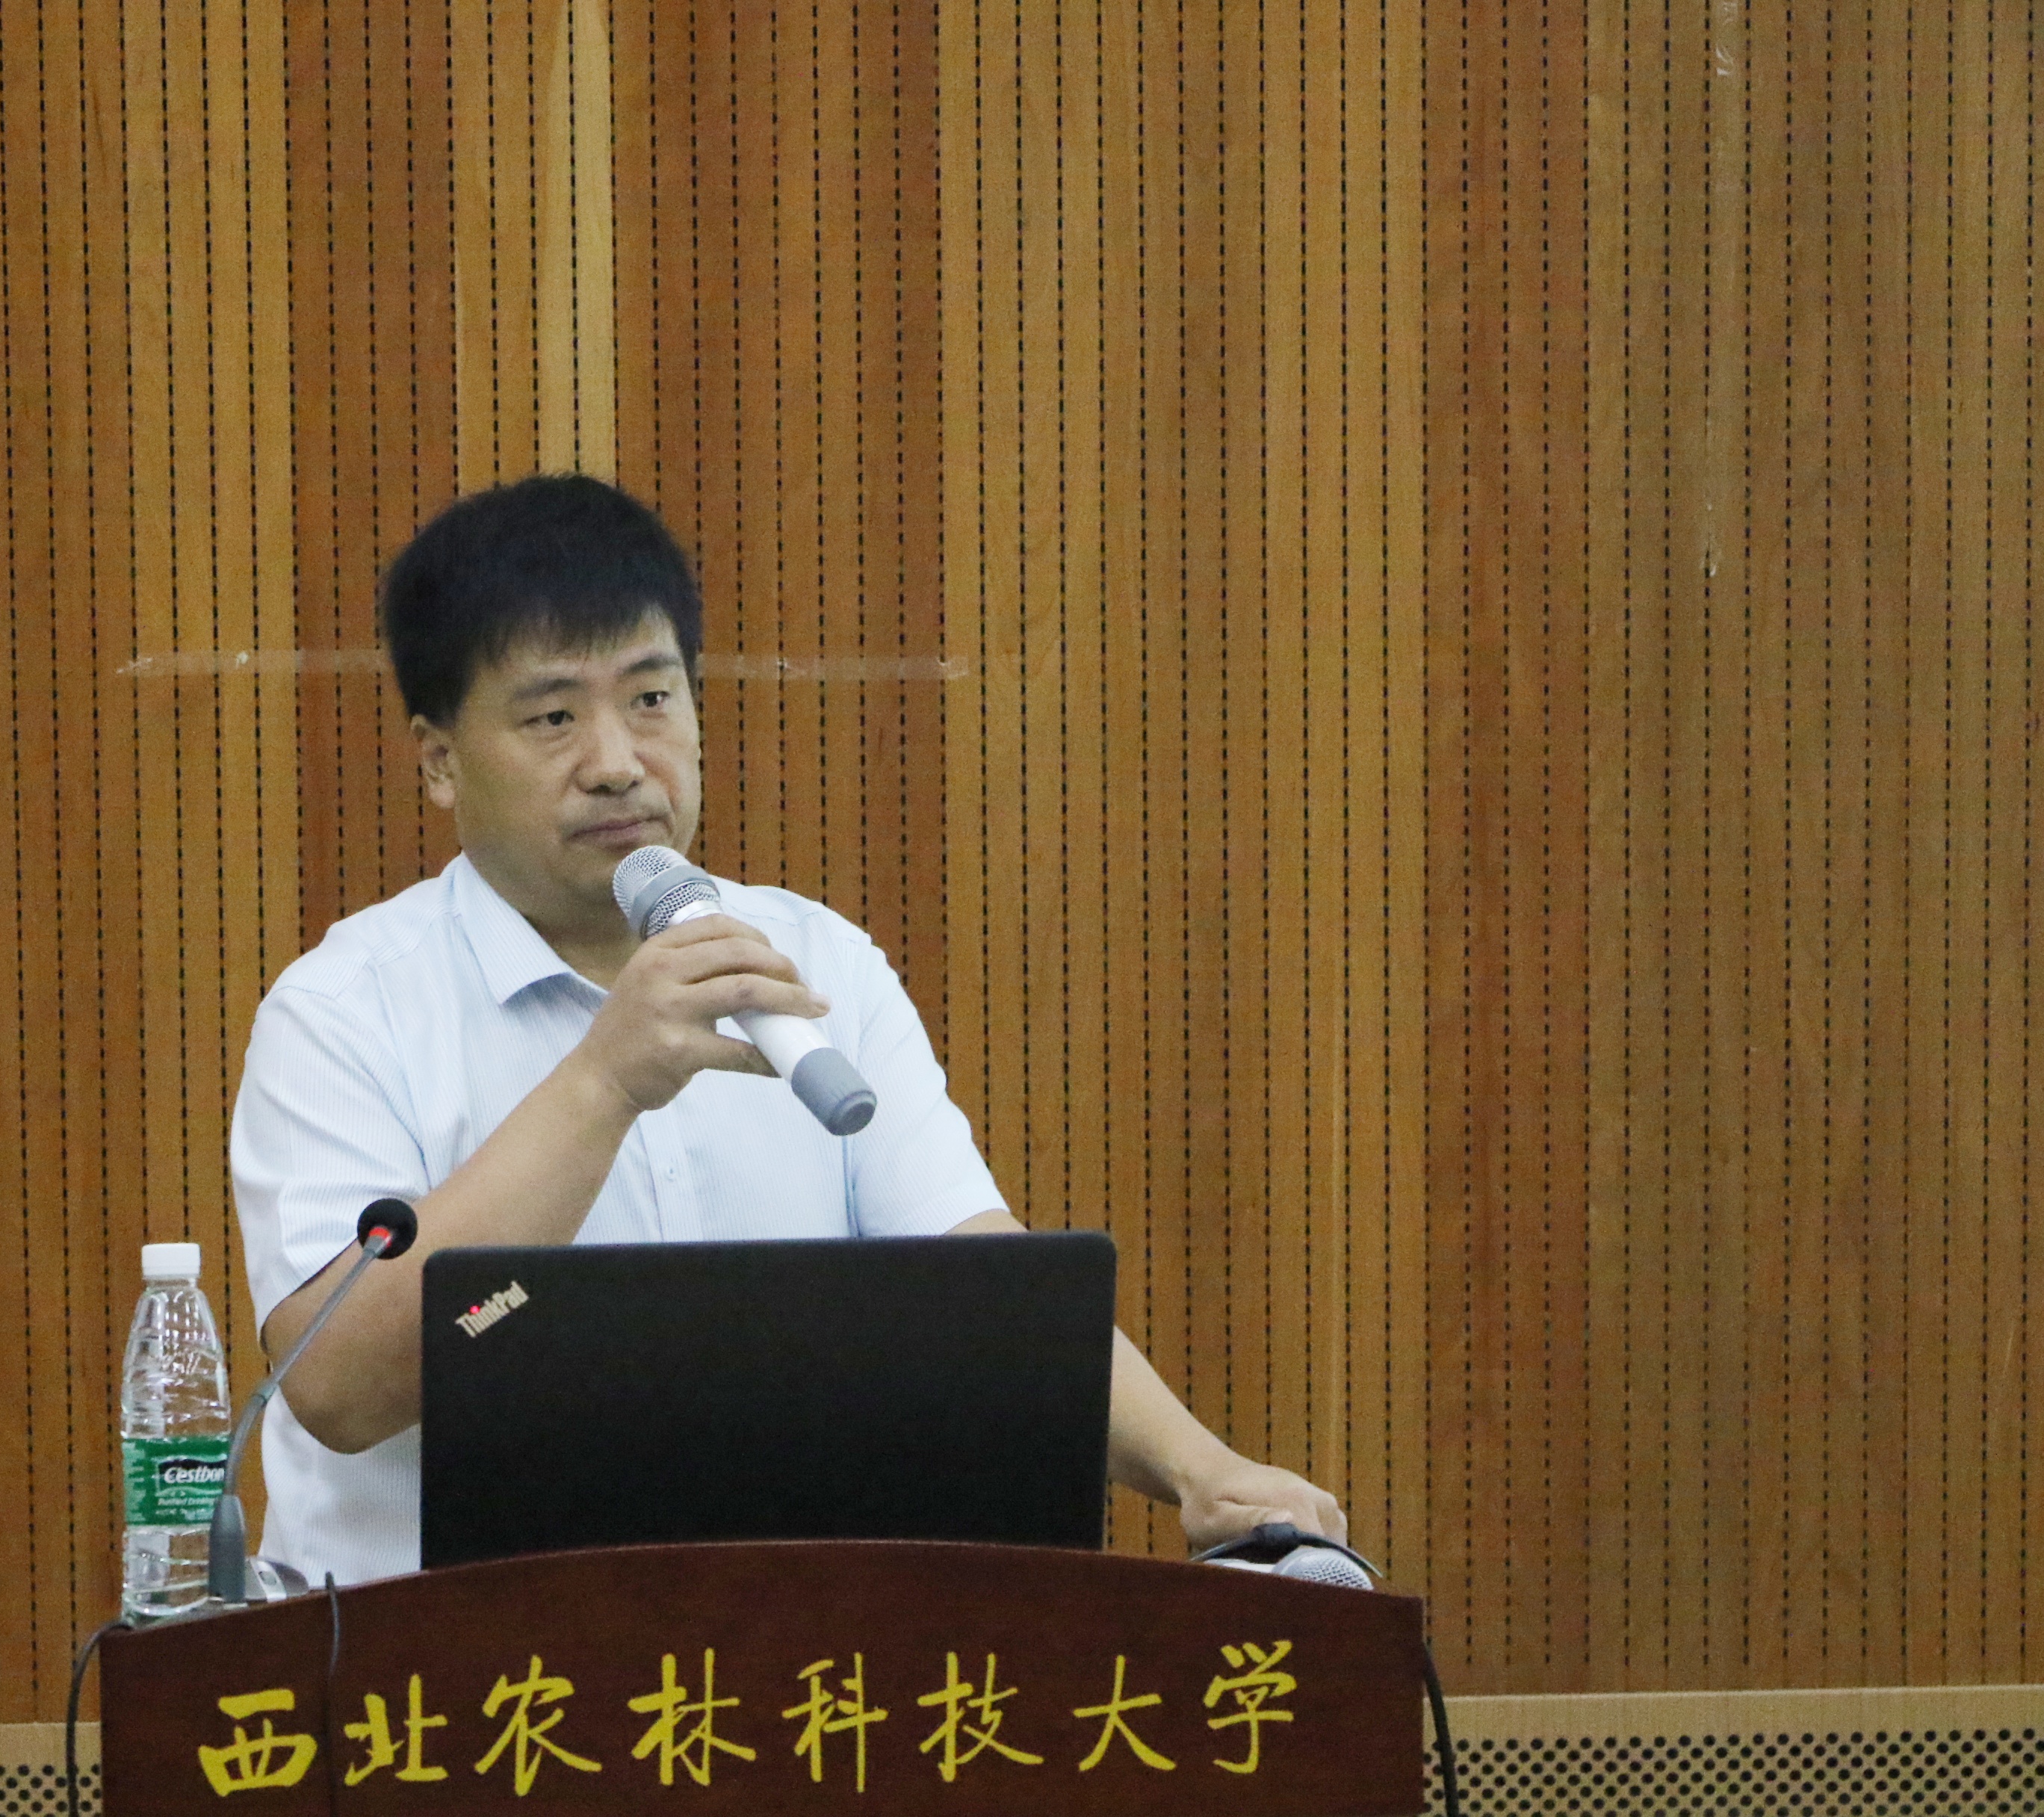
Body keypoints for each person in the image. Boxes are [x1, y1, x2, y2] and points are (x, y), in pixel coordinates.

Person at [229, 474, 1345, 1585]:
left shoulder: (817, 962)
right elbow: (339, 1389)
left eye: (652, 699)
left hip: (784, 1651)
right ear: (439, 760)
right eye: (554, 717)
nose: (617, 762)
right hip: (449, 1665)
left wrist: (1201, 1469)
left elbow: (979, 1285)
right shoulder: (342, 1012)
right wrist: (604, 1082)